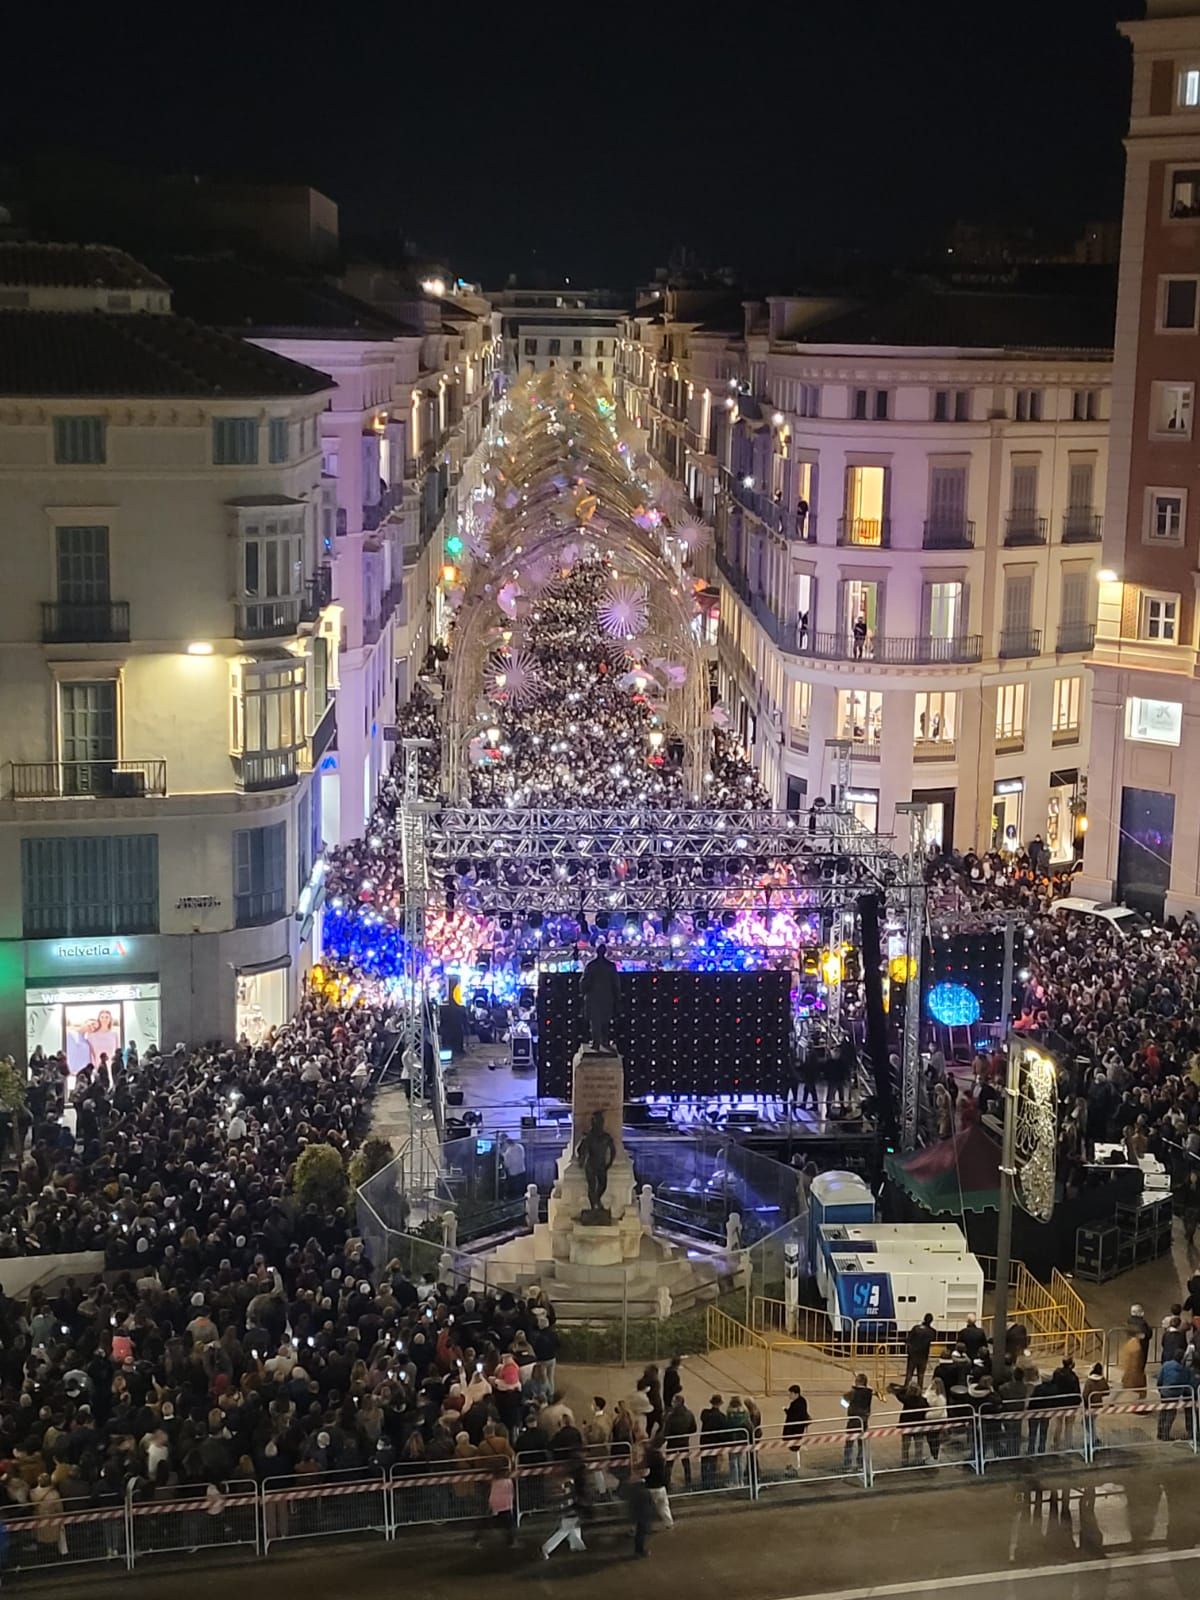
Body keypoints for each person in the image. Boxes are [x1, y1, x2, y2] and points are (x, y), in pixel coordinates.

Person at [662, 1391, 696, 1489]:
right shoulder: (689, 1414)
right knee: (686, 1463)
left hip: (672, 1442)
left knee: (669, 1463)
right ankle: (688, 1482)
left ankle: (666, 1483)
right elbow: (693, 1428)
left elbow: (666, 1431)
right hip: (684, 1442)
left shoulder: (670, 1416)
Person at [842, 1374, 872, 1472]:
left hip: (853, 1421)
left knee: (849, 1444)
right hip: (864, 1421)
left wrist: (848, 1405)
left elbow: (843, 1403)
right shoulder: (869, 1393)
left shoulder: (852, 1393)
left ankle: (847, 1465)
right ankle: (860, 1465)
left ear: (858, 1381)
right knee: (861, 1444)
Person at [699, 1394, 727, 1489]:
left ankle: (704, 1482)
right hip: (715, 1443)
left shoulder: (705, 1413)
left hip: (704, 1441)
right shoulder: (722, 1417)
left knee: (704, 1462)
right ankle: (711, 1482)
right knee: (712, 1463)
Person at [783, 1383, 810, 1473]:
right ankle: (794, 1465)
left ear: (796, 1394)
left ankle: (795, 1466)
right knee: (794, 1449)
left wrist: (787, 1411)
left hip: (794, 1431)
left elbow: (793, 1417)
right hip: (798, 1430)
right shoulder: (802, 1401)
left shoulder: (796, 1404)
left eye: (790, 1394)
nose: (789, 1396)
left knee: (794, 1448)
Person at [905, 1312, 936, 1387]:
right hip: (923, 1355)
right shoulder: (932, 1332)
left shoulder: (916, 1328)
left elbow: (908, 1339)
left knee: (909, 1374)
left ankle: (906, 1388)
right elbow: (932, 1339)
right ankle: (919, 1390)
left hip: (913, 1354)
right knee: (921, 1375)